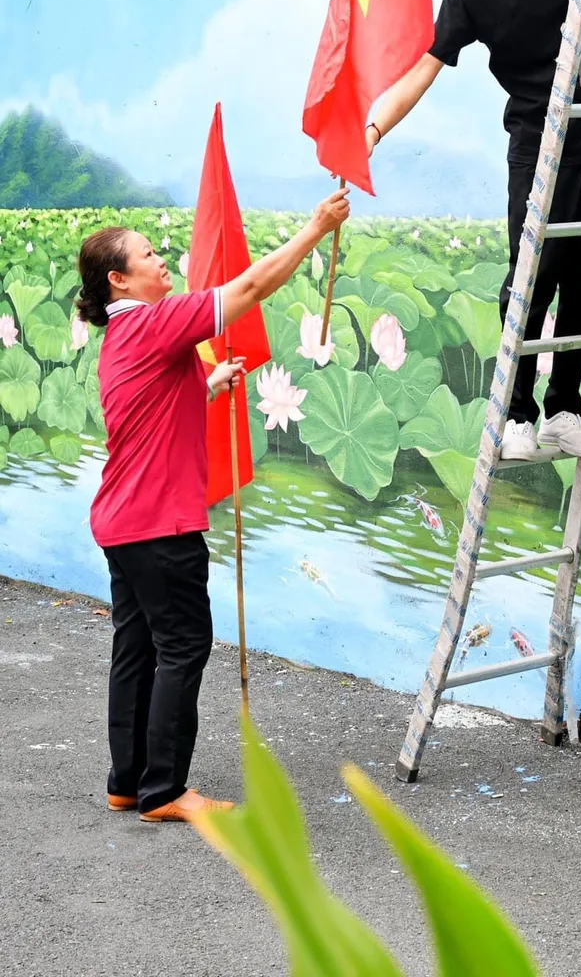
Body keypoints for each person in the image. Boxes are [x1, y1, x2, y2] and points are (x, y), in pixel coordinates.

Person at [76, 188, 350, 823]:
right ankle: (165, 791)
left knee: (137, 648)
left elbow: (150, 410)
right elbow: (250, 287)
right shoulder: (152, 321)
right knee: (183, 646)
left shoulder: (123, 338)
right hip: (159, 526)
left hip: (123, 520)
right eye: (148, 255)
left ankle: (128, 782)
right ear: (120, 280)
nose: (161, 260)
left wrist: (207, 383)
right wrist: (316, 225)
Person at [366, 0, 581, 462]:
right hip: (538, 148)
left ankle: (563, 410)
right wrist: (374, 127)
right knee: (531, 279)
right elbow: (426, 68)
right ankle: (517, 413)